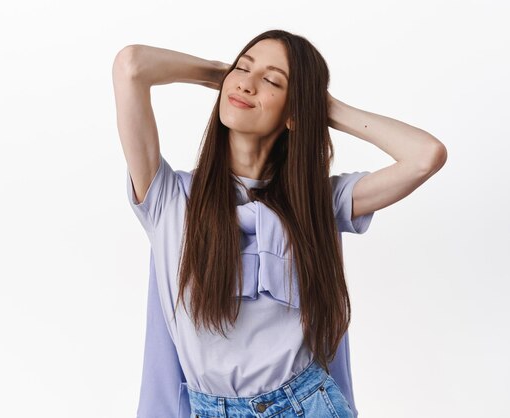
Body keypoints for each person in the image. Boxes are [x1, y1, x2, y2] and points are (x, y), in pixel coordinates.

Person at [113, 29, 447, 418]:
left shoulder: (318, 202)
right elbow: (131, 65)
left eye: (271, 80)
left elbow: (426, 156)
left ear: (293, 113)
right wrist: (221, 75)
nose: (248, 84)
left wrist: (321, 106)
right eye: (244, 68)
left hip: (307, 406)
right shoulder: (169, 197)